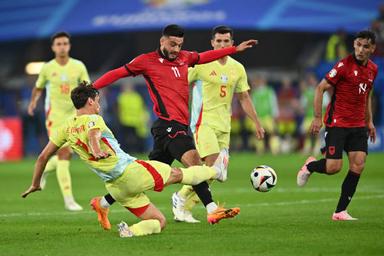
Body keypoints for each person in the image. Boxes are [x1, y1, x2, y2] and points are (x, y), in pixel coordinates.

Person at [90, 24, 257, 227]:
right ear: (162, 41)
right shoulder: (146, 61)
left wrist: (234, 50)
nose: (176, 49)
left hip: (174, 128)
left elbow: (205, 57)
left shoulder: (185, 58)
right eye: (172, 44)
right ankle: (212, 210)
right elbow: (117, 73)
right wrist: (92, 87)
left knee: (144, 178)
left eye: (179, 45)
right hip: (168, 126)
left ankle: (103, 202)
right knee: (194, 163)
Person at [21, 82, 228, 237]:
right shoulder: (94, 118)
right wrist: (95, 149)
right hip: (131, 172)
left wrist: (35, 183)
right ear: (91, 101)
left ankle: (129, 231)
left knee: (159, 221)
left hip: (116, 188)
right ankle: (217, 171)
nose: (99, 105)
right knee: (180, 174)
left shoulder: (65, 127)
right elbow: (93, 135)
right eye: (98, 101)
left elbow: (42, 157)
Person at [172, 25, 265, 222]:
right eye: (218, 41)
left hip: (225, 126)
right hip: (203, 122)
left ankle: (182, 201)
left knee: (212, 174)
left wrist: (256, 122)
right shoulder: (201, 64)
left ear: (232, 43)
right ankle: (197, 205)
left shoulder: (237, 68)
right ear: (212, 43)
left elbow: (243, 97)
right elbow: (180, 84)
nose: (222, 44)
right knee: (214, 166)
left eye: (226, 41)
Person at [297, 30, 378, 220]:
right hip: (337, 123)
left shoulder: (373, 69)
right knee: (334, 167)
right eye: (358, 45)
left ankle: (340, 211)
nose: (360, 49)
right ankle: (310, 166)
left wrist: (370, 121)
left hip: (358, 125)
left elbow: (366, 95)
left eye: (365, 46)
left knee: (358, 165)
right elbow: (320, 88)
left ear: (372, 48)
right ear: (354, 45)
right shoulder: (343, 65)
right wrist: (318, 118)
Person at [27, 32, 89, 211]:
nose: (62, 46)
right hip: (54, 118)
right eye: (59, 44)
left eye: (65, 43)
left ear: (69, 46)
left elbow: (87, 87)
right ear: (53, 47)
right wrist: (32, 103)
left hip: (74, 116)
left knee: (66, 156)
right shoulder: (47, 68)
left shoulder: (78, 66)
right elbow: (38, 88)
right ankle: (69, 200)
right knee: (63, 154)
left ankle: (45, 169)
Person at [250, 74, 279, 154]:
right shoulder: (255, 93)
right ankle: (260, 150)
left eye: (260, 81)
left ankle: (274, 149)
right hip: (259, 117)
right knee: (258, 134)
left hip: (268, 116)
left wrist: (275, 114)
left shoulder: (269, 91)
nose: (259, 83)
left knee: (272, 132)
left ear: (264, 82)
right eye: (257, 81)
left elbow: (273, 102)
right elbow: (252, 105)